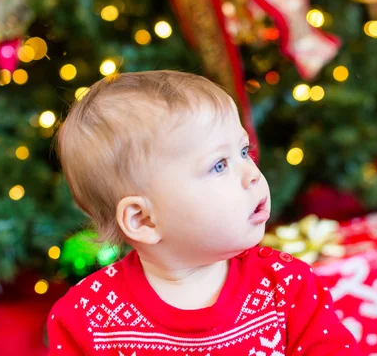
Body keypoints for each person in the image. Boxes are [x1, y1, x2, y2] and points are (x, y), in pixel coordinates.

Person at [48, 70, 357, 355]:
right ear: (142, 219)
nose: (251, 173)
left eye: (244, 152)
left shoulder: (287, 286)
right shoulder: (85, 319)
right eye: (219, 165)